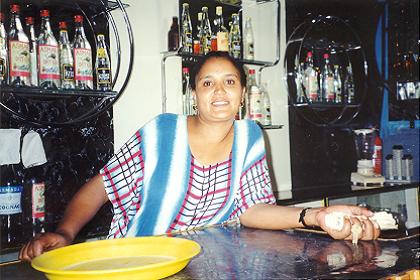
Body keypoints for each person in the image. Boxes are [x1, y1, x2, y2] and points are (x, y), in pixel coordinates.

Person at [19, 51, 380, 261]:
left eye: (229, 82)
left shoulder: (250, 136)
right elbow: (102, 186)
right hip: (137, 265)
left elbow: (251, 210)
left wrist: (316, 215)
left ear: (242, 92)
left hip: (209, 266)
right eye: (208, 83)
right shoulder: (162, 132)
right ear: (194, 94)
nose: (219, 91)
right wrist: (65, 234)